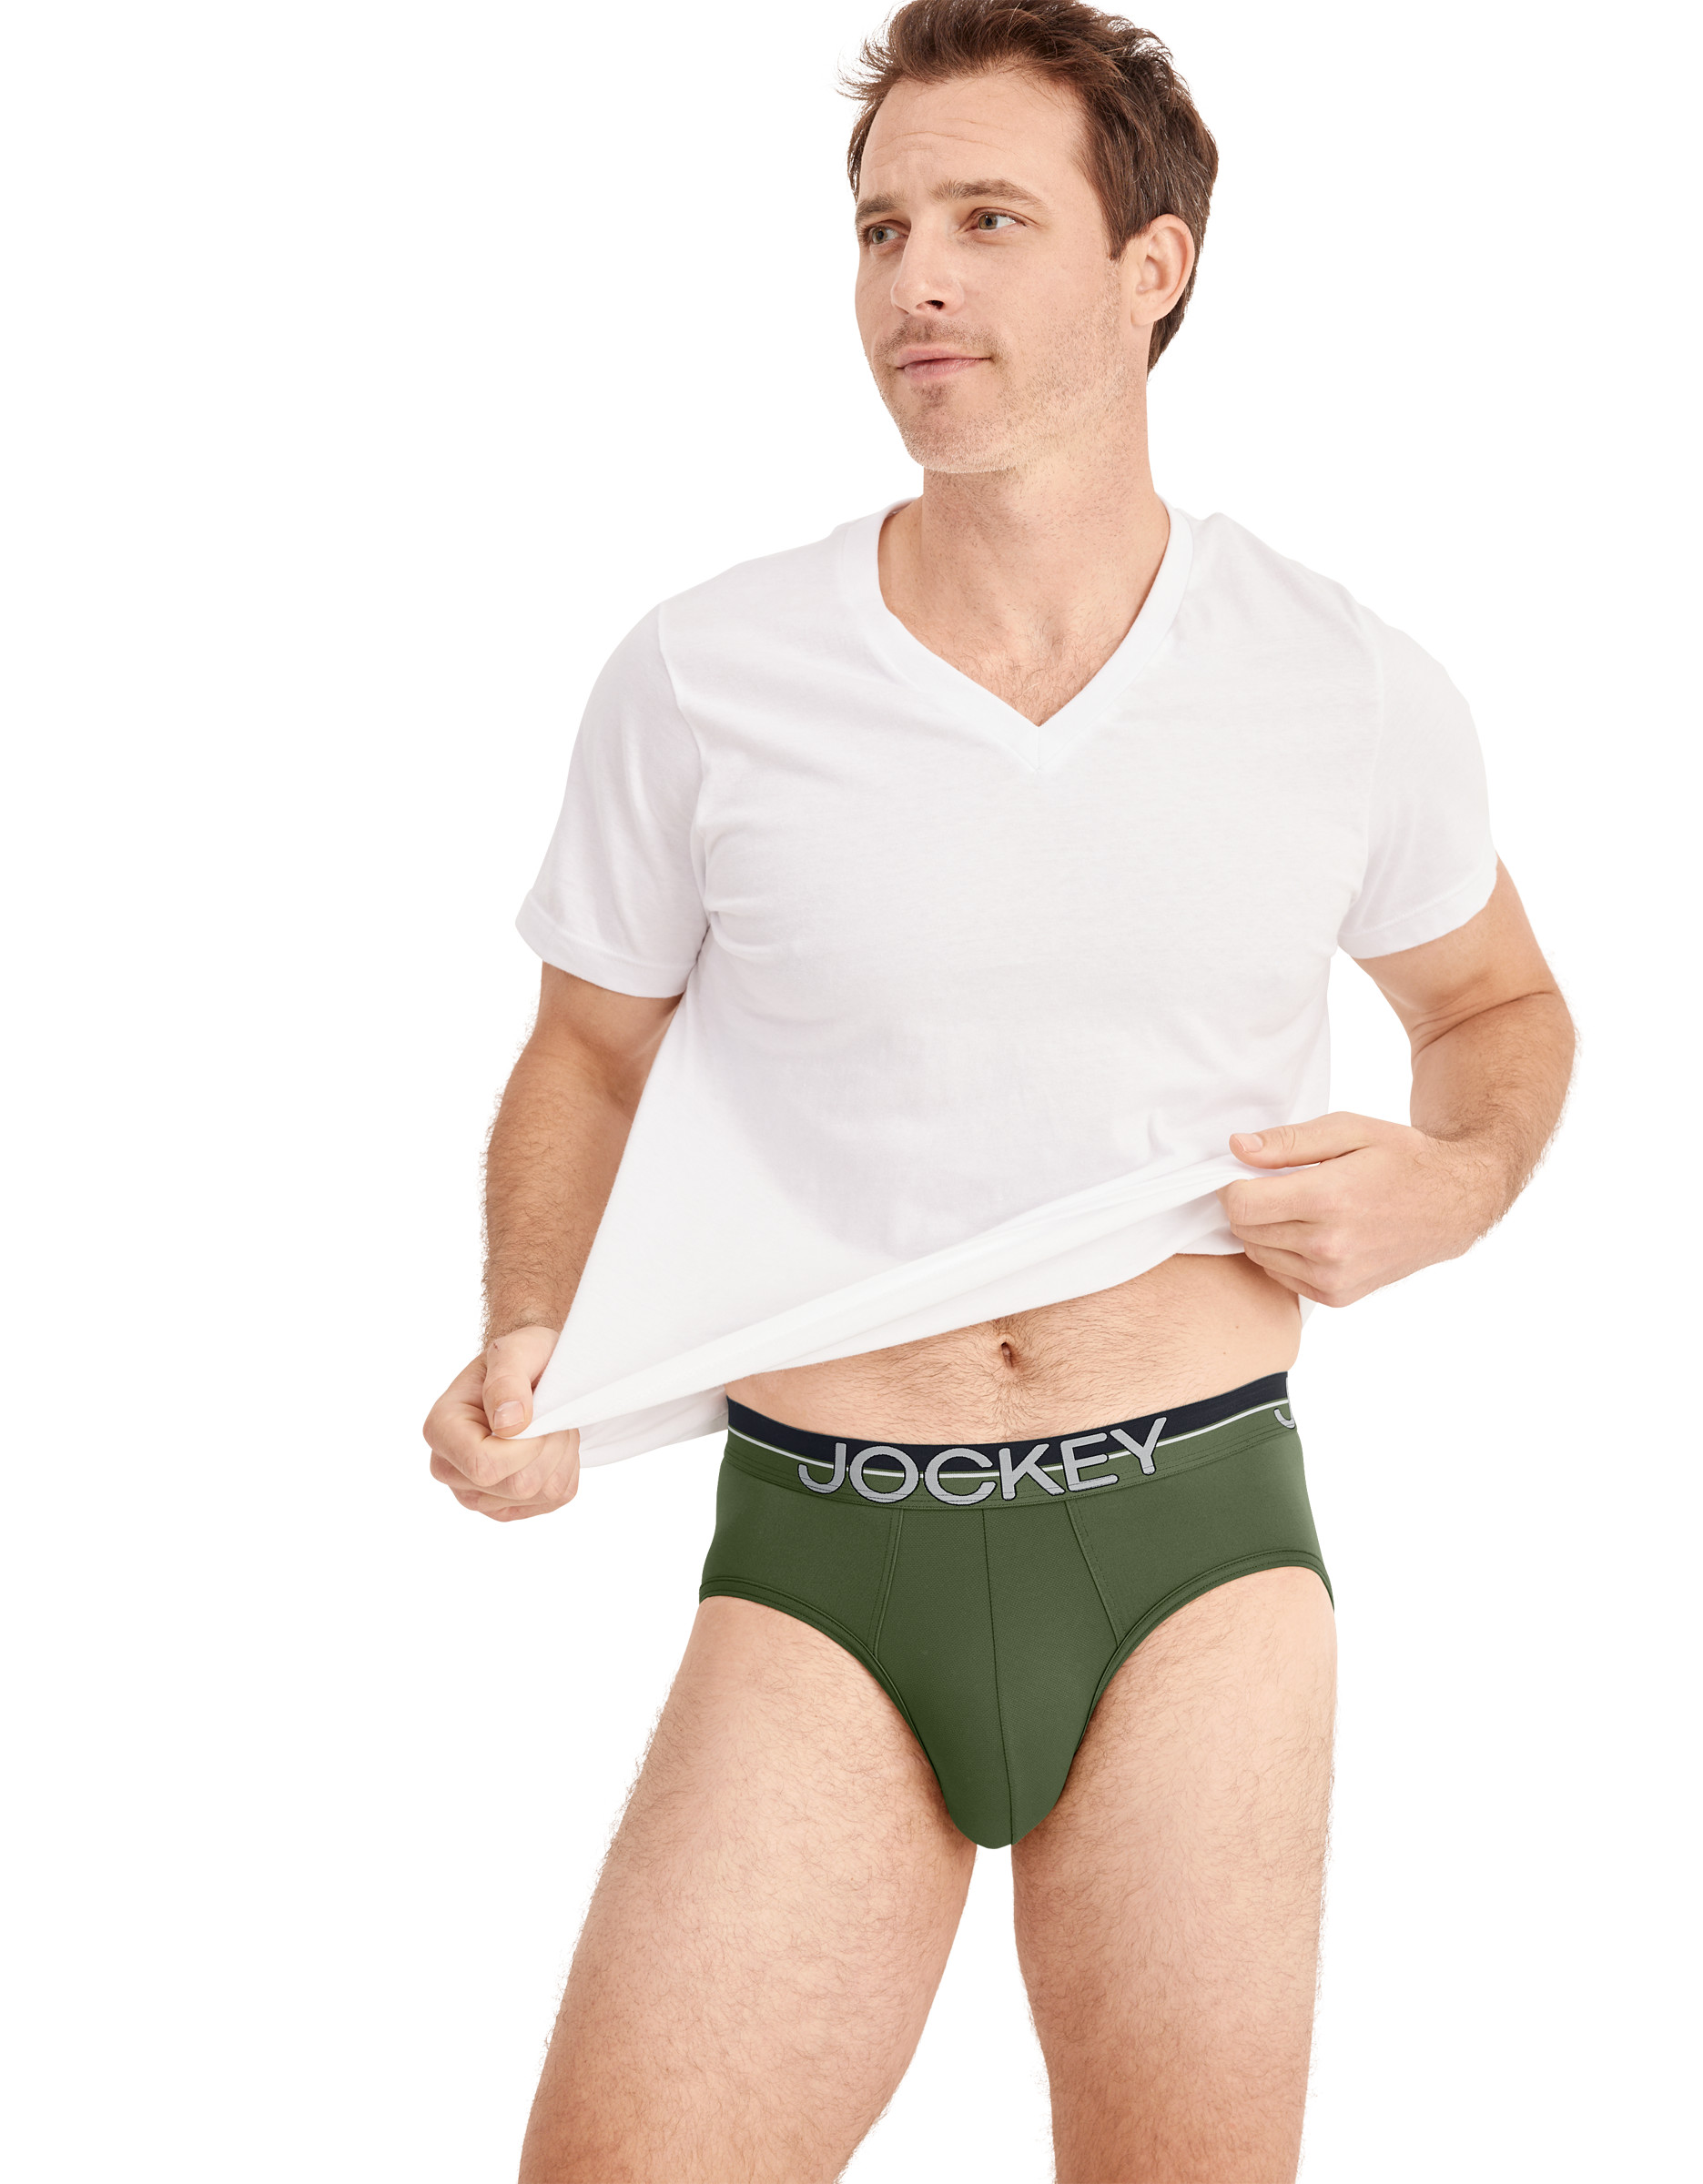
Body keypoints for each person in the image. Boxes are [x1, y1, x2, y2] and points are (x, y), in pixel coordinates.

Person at [422, 3, 1576, 2176]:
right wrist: (528, 1324)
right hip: (825, 1542)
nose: (913, 283)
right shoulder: (707, 673)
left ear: (1153, 266)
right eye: (880, 231)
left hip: (1194, 1544)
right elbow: (584, 1046)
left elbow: (1501, 1005)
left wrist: (1452, 1182)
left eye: (984, 220)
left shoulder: (1340, 678)